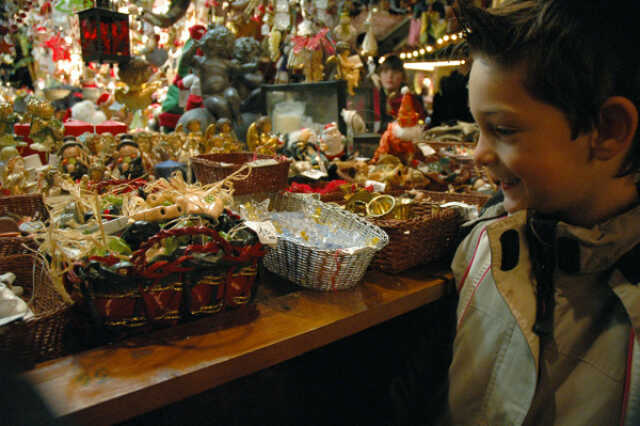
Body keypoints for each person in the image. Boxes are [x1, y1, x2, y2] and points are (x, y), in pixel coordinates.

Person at [445, 1, 640, 425]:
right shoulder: (482, 247)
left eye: (504, 129)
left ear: (607, 129)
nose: (478, 152)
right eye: (477, 127)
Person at [373, 55, 425, 133]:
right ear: (379, 75)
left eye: (395, 72)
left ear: (403, 76)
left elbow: (421, 125)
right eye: (385, 71)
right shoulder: (374, 98)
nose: (390, 76)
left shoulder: (410, 100)